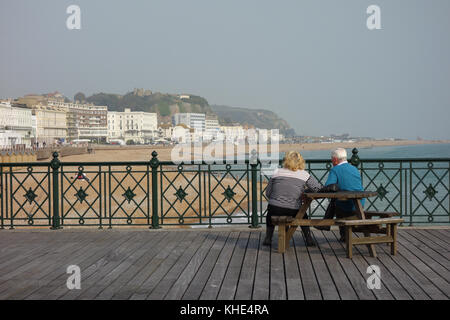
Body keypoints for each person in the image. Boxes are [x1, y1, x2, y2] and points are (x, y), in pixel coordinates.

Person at [263, 151, 322, 246]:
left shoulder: (276, 172)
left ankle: (268, 238)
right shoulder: (304, 174)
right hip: (293, 209)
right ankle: (308, 238)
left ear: (286, 161)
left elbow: (268, 193)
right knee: (303, 214)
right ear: (301, 162)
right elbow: (318, 189)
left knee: (270, 212)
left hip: (275, 209)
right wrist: (305, 191)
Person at [315, 148, 365, 242]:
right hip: (360, 205)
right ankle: (339, 233)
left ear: (335, 160)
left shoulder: (335, 170)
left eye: (331, 159)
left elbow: (329, 187)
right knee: (339, 200)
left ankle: (327, 225)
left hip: (346, 207)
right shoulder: (354, 169)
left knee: (336, 201)